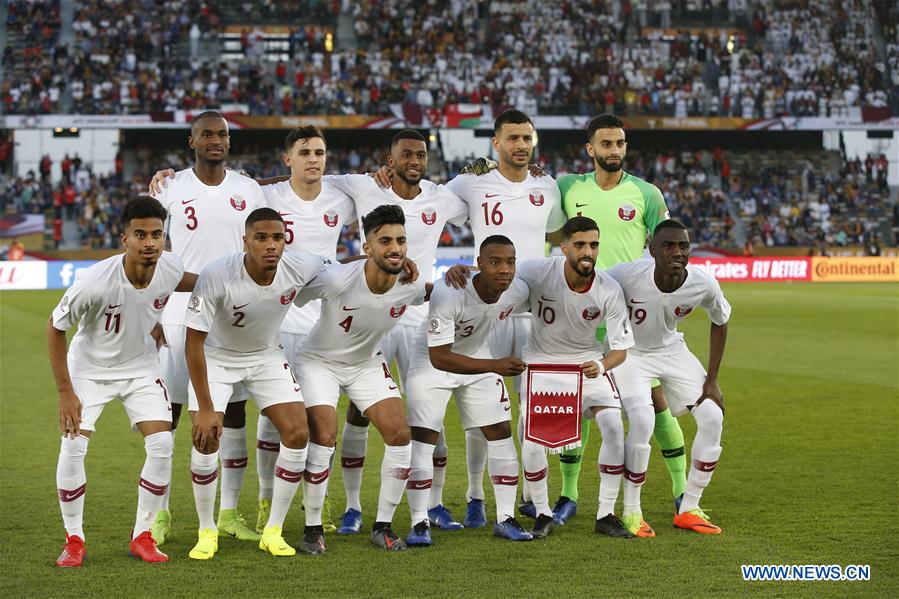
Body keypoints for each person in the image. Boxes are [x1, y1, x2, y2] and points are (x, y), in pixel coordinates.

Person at [324, 130, 469, 533]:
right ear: (390, 160)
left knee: (429, 412)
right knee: (358, 410)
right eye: (406, 154)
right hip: (374, 317)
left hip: (421, 316)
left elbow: (483, 191)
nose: (415, 160)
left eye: (421, 154)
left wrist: (512, 168)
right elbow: (303, 178)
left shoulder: (441, 197)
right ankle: (353, 507)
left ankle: (435, 504)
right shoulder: (363, 186)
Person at [48, 196, 196, 567]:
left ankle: (142, 536)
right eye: (141, 234)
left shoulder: (170, 267)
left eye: (157, 234)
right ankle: (75, 540)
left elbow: (177, 288)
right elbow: (55, 328)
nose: (150, 242)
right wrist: (66, 392)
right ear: (123, 239)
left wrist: (154, 320)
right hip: (89, 370)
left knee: (162, 442)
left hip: (140, 366)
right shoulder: (94, 282)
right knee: (73, 446)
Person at [551, 113, 680, 529]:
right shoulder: (568, 187)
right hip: (579, 312)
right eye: (606, 144)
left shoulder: (646, 193)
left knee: (654, 401)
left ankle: (681, 490)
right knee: (576, 403)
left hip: (630, 313)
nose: (615, 151)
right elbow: (551, 234)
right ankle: (569, 494)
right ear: (590, 149)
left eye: (620, 144)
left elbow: (668, 248)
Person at [443, 109, 566, 527]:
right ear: (495, 144)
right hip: (490, 311)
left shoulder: (547, 185)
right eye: (512, 138)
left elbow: (557, 231)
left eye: (527, 138)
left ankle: (534, 497)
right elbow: (428, 204)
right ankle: (475, 494)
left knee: (534, 408)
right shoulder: (471, 182)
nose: (521, 145)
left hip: (537, 314)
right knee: (485, 411)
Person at [149, 111, 267, 546]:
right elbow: (151, 252)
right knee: (171, 414)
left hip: (234, 316)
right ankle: (157, 515)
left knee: (232, 413)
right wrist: (151, 313)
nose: (215, 140)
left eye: (222, 134)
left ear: (229, 142)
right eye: (206, 135)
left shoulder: (247, 188)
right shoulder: (169, 187)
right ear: (191, 140)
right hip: (181, 313)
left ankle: (230, 512)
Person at [184, 207, 330, 558]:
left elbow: (349, 266)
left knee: (298, 434)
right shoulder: (217, 274)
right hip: (217, 358)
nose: (270, 245)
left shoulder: (301, 265)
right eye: (261, 237)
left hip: (265, 356)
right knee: (206, 439)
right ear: (245, 240)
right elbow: (193, 344)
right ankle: (207, 530)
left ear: (285, 241)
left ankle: (273, 530)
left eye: (277, 238)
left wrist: (400, 263)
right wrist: (205, 408)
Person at [292, 205, 427, 553]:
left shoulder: (409, 287)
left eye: (400, 240)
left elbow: (434, 291)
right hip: (318, 361)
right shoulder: (338, 278)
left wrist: (462, 271)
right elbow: (298, 293)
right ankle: (312, 529)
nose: (395, 247)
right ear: (367, 248)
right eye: (384, 241)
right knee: (324, 434)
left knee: (400, 435)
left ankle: (382, 526)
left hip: (365, 363)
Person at [253, 126, 356, 534]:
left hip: (324, 325)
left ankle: (318, 501)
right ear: (288, 159)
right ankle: (265, 500)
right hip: (277, 322)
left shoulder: (341, 199)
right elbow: (231, 190)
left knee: (321, 419)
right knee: (270, 418)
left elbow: (376, 193)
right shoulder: (270, 197)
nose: (313, 158)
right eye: (304, 151)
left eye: (319, 152)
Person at [404, 235, 533, 545]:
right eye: (495, 261)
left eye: (510, 262)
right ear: (479, 264)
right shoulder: (450, 291)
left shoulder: (518, 289)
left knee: (500, 432)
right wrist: (494, 366)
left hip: (479, 356)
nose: (505, 269)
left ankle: (505, 517)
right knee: (424, 438)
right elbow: (440, 356)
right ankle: (419, 521)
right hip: (431, 362)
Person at [514, 216, 635, 538]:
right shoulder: (538, 270)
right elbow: (497, 275)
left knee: (612, 425)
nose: (588, 252)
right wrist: (463, 271)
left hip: (587, 364)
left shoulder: (609, 288)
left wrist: (604, 365)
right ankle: (541, 511)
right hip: (541, 364)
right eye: (580, 244)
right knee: (530, 431)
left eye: (594, 245)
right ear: (564, 246)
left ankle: (606, 512)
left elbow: (620, 349)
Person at [607, 220, 730, 534]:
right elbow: (591, 291)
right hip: (630, 354)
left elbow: (720, 320)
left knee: (713, 416)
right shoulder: (626, 275)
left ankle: (689, 508)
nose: (677, 251)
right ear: (652, 251)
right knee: (643, 421)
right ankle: (632, 512)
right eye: (669, 245)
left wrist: (712, 377)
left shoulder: (703, 283)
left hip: (672, 351)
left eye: (683, 246)